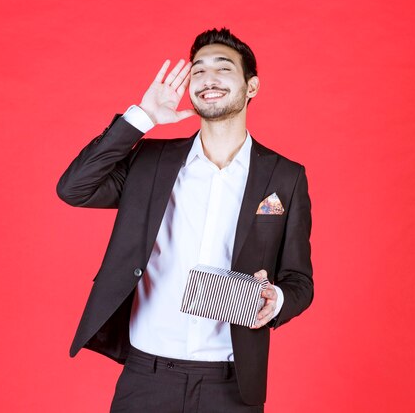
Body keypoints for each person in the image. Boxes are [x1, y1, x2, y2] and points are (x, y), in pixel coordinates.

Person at [57, 27, 314, 412]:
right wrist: (142, 117)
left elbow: (299, 281)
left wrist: (274, 299)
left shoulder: (285, 177)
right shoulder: (149, 162)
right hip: (147, 378)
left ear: (252, 86)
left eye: (223, 68)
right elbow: (74, 188)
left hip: (231, 384)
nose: (207, 78)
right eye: (197, 70)